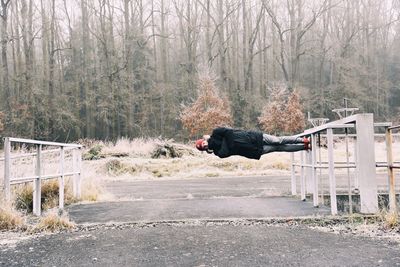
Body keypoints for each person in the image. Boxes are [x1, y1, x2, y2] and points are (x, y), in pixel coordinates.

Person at [195, 127, 309, 160]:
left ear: (204, 140)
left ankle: (301, 140)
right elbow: (229, 144)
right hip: (252, 151)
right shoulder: (218, 153)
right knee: (279, 148)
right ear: (204, 150)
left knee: (277, 140)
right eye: (203, 147)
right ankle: (303, 147)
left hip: (253, 137)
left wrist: (229, 143)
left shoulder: (216, 132)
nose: (205, 145)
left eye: (203, 143)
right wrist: (227, 140)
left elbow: (229, 132)